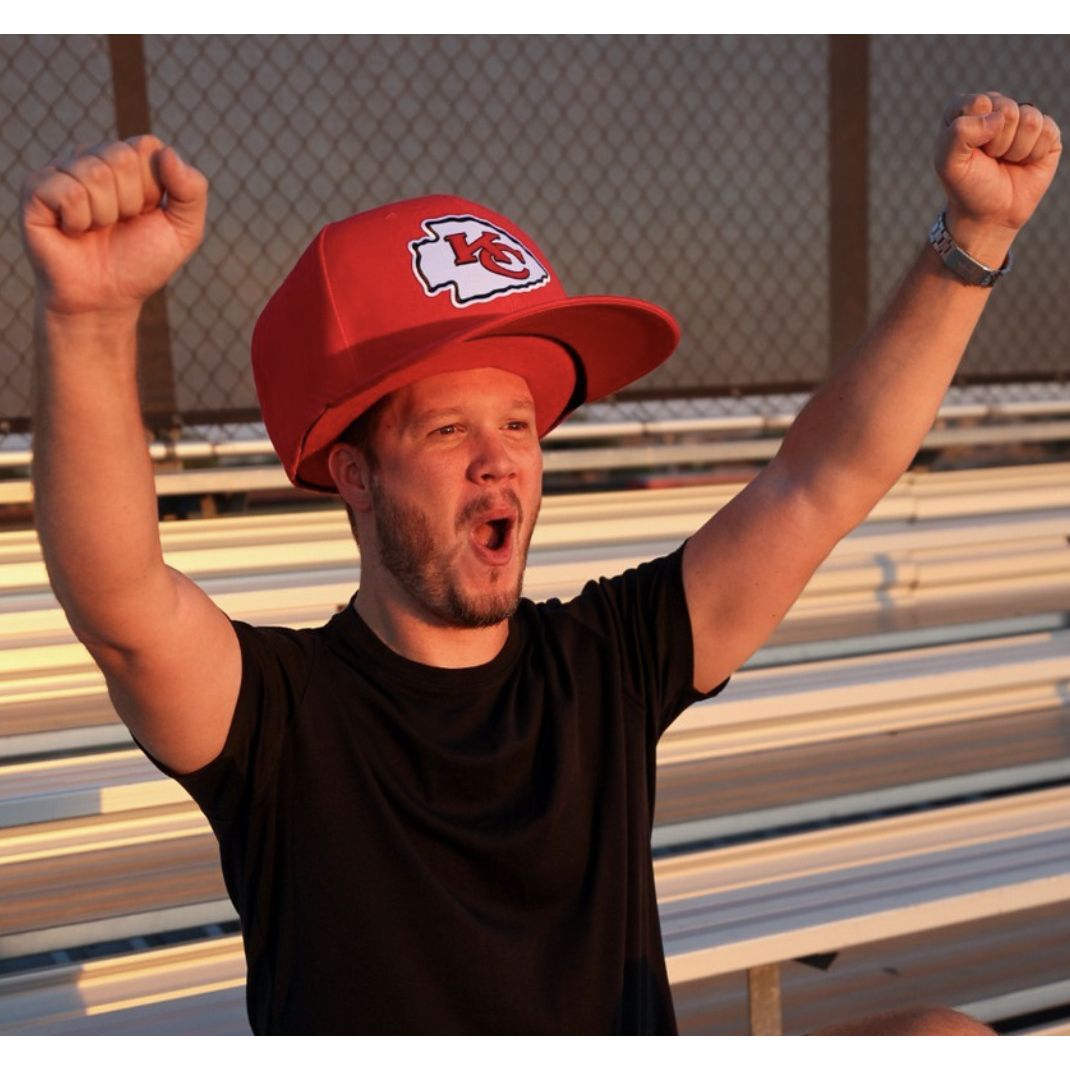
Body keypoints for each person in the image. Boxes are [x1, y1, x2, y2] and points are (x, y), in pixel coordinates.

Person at [20, 92, 1060, 1034]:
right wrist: (91, 317)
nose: (499, 461)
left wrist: (971, 237)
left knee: (944, 1043)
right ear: (354, 475)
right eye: (446, 432)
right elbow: (120, 600)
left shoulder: (604, 657)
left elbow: (819, 481)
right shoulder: (281, 715)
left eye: (518, 421)